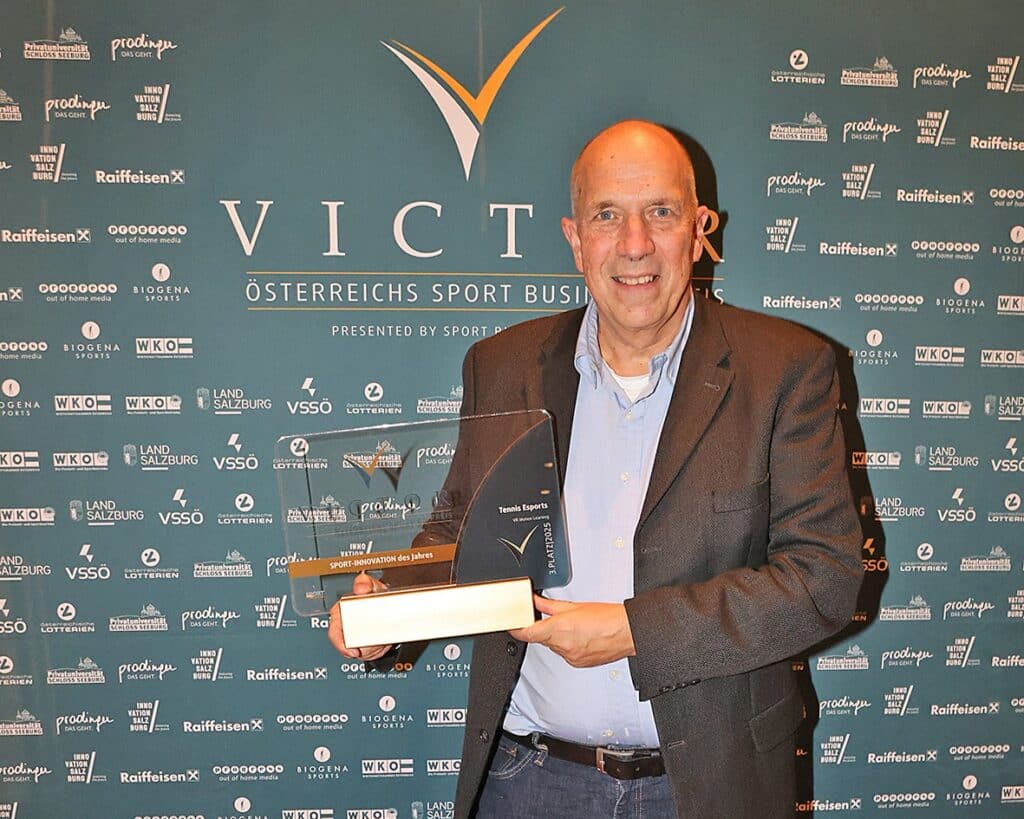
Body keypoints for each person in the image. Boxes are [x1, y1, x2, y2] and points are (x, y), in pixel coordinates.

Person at [328, 119, 863, 818]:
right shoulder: (503, 365)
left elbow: (824, 577)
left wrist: (634, 630)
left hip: (711, 785)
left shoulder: (786, 368)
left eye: (660, 212)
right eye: (607, 215)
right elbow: (461, 530)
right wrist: (390, 603)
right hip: (528, 779)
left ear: (699, 229)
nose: (634, 243)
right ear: (576, 238)